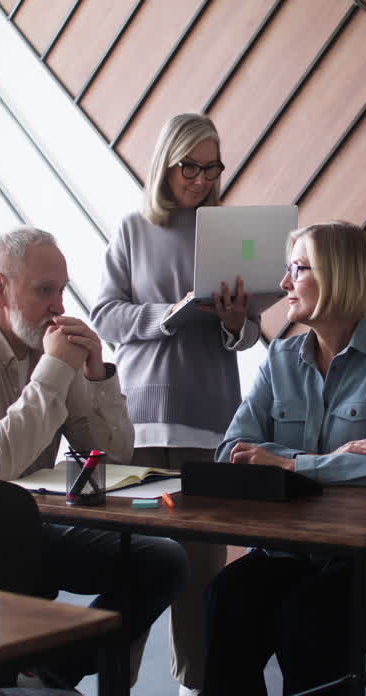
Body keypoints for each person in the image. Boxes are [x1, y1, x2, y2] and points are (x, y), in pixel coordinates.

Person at [0, 225, 189, 689]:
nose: (59, 306)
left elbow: (113, 456)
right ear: (0, 288)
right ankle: (32, 666)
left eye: (61, 290)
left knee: (164, 561)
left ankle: (54, 665)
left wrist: (98, 376)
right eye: (44, 291)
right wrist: (55, 369)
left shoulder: (47, 349)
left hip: (19, 528)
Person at [202, 221, 366, 696]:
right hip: (290, 548)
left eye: (298, 269)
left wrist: (287, 463)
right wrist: (333, 458)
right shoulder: (279, 358)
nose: (284, 284)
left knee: (307, 617)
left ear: (338, 277)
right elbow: (230, 451)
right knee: (227, 597)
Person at [90, 113, 258, 696]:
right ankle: (119, 682)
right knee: (135, 561)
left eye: (213, 168)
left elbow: (251, 332)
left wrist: (237, 322)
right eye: (192, 166)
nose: (203, 179)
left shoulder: (229, 231)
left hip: (210, 415)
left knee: (201, 567)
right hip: (140, 417)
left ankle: (196, 686)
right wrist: (163, 317)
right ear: (167, 163)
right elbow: (103, 314)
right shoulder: (134, 228)